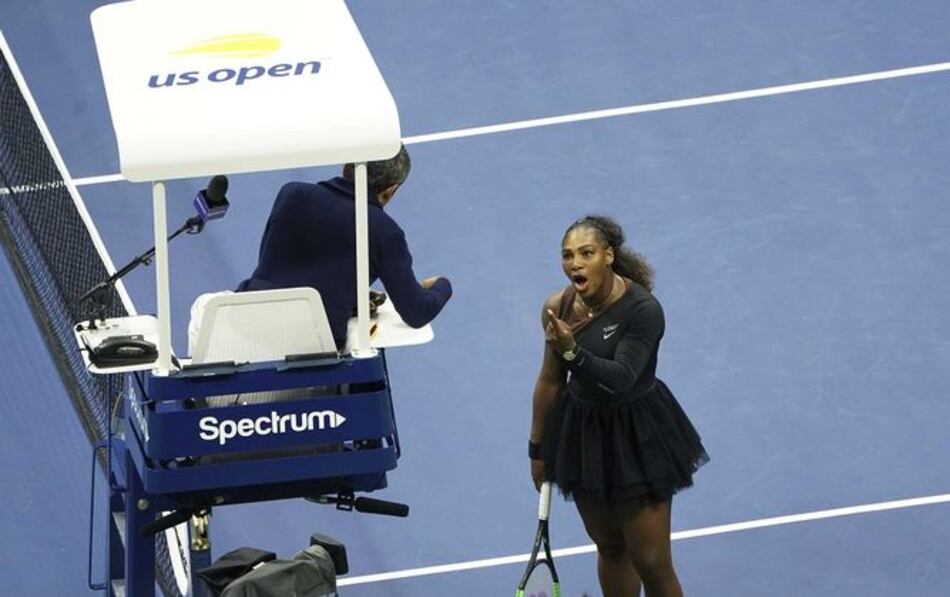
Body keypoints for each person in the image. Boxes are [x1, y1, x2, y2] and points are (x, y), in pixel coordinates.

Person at [529, 215, 708, 597]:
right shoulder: (558, 307)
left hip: (638, 434)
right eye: (567, 255)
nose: (574, 263)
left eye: (586, 253)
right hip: (583, 434)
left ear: (608, 256)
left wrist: (573, 352)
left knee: (652, 563)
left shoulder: (643, 310)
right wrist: (538, 449)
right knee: (610, 547)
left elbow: (622, 376)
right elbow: (549, 381)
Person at [237, 144, 452, 350]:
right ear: (390, 191)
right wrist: (442, 286)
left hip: (246, 320)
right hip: (310, 342)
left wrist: (351, 298)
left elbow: (275, 266)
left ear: (345, 167)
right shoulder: (384, 231)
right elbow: (416, 313)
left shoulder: (291, 193)